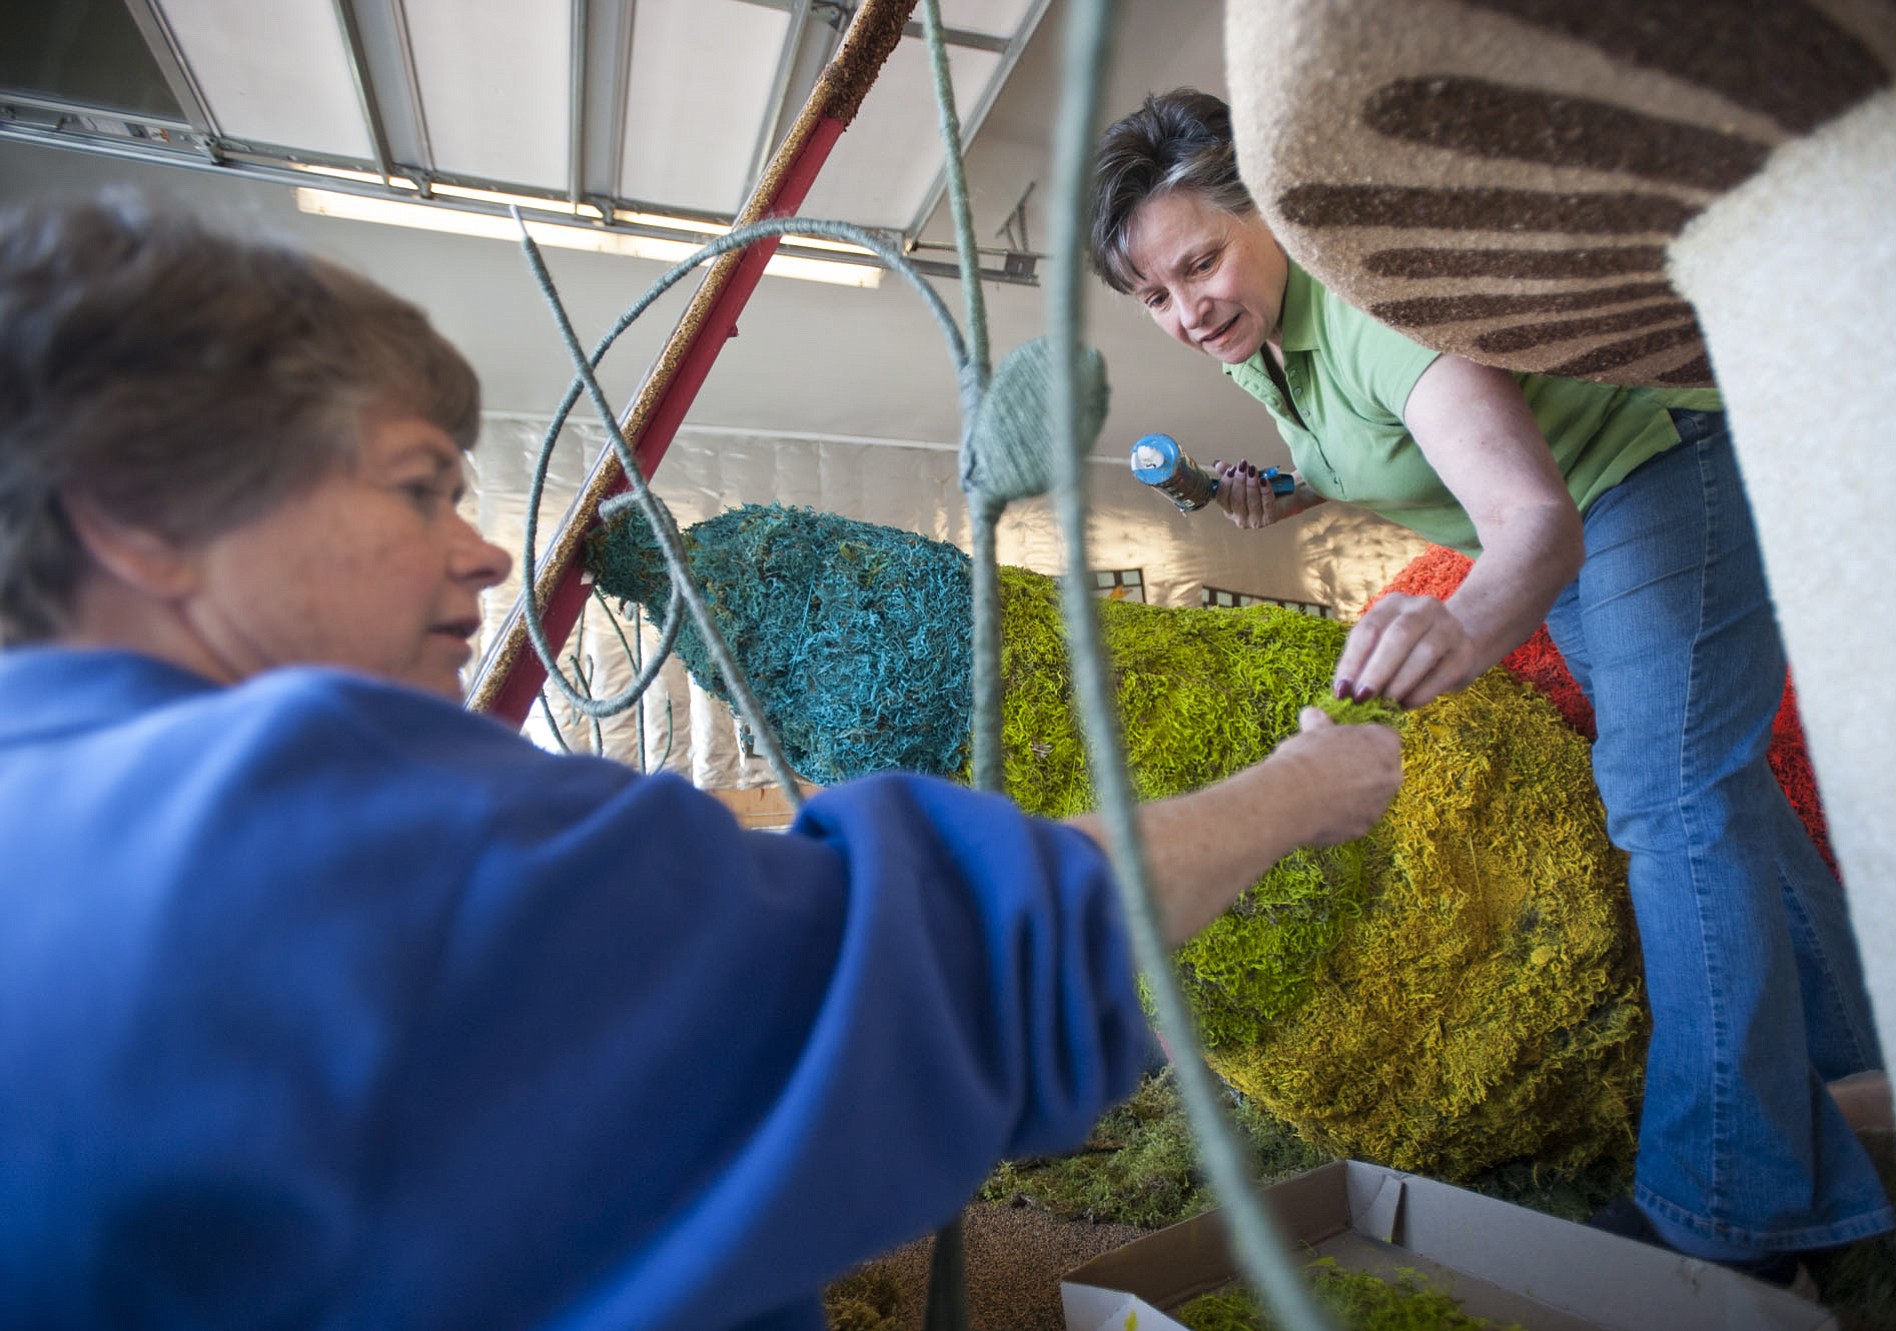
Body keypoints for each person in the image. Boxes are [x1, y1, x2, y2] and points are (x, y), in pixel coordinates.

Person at [0, 193, 1403, 1330]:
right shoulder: (296, 816)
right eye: (420, 484)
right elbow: (965, 955)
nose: (487, 548)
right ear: (138, 511)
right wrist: (1304, 789)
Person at [1088, 89, 1893, 1286]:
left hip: (1646, 473)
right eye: (1152, 295)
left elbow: (1529, 519)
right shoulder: (1266, 346)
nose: (1185, 309)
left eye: (1198, 262)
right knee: (1711, 791)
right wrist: (1293, 487)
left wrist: (1460, 628)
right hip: (1586, 517)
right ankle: (1863, 1079)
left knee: (1667, 800)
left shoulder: (1364, 310)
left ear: (1269, 214)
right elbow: (1387, 443)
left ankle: (1737, 1214)